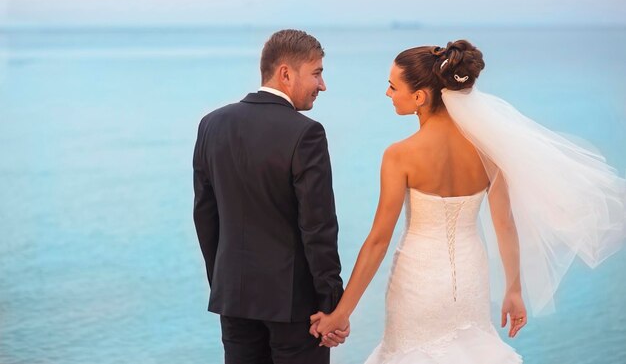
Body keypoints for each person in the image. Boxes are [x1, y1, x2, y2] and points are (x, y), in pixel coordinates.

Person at [310, 40, 625, 363]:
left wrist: (342, 313)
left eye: (393, 86)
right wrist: (514, 291)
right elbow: (504, 224)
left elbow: (378, 241)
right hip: (471, 277)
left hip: (418, 281)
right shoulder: (488, 150)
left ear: (420, 97)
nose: (388, 94)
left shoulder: (399, 155)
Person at [193, 29, 349, 364]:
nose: (322, 85)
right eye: (317, 73)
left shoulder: (211, 125)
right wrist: (331, 305)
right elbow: (318, 227)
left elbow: (206, 216)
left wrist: (224, 283)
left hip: (233, 298)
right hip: (294, 307)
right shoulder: (306, 132)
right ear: (285, 73)